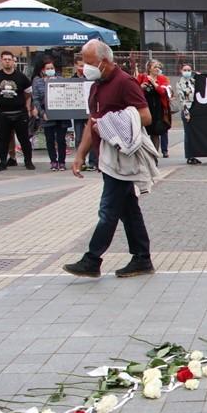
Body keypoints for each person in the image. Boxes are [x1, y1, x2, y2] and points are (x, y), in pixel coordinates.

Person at [64, 39, 154, 279]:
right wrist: (80, 154)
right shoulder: (96, 85)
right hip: (105, 156)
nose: (85, 67)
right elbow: (91, 121)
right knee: (128, 210)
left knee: (109, 210)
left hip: (121, 156)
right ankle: (142, 258)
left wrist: (113, 122)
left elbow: (145, 117)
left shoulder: (125, 82)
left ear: (104, 62)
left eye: (90, 62)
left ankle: (92, 259)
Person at [0, 50, 35, 171]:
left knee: (24, 139)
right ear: (1, 61)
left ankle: (28, 161)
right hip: (2, 113)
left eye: (9, 59)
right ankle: (3, 162)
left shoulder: (21, 77)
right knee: (3, 139)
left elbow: (28, 94)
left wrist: (27, 108)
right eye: (5, 59)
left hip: (20, 113)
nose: (7, 62)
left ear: (14, 61)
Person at [32, 57, 70, 171]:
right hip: (46, 114)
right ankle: (53, 161)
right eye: (47, 68)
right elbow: (36, 99)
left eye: (52, 68)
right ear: (43, 70)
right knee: (49, 139)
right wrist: (41, 113)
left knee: (61, 139)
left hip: (61, 114)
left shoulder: (60, 79)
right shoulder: (37, 81)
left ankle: (62, 161)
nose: (50, 70)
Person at [136, 59, 171, 158]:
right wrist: (141, 87)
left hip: (158, 109)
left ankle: (154, 156)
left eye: (159, 67)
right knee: (142, 132)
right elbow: (135, 91)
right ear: (149, 68)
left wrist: (155, 84)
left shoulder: (163, 79)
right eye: (155, 67)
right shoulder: (142, 77)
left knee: (155, 133)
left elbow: (164, 93)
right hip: (145, 107)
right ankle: (142, 155)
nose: (157, 69)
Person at [71, 53, 97, 171]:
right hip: (77, 112)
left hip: (89, 111)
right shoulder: (72, 80)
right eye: (80, 65)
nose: (82, 68)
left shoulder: (91, 78)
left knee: (91, 135)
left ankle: (92, 161)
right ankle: (81, 160)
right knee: (79, 137)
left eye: (84, 65)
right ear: (76, 66)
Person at [176, 63, 200, 165]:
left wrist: (201, 77)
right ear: (181, 71)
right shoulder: (179, 84)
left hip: (196, 110)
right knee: (188, 134)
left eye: (189, 70)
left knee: (195, 134)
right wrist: (186, 113)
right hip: (187, 110)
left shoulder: (193, 82)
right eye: (185, 70)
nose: (187, 72)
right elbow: (182, 100)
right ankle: (190, 156)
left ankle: (195, 154)